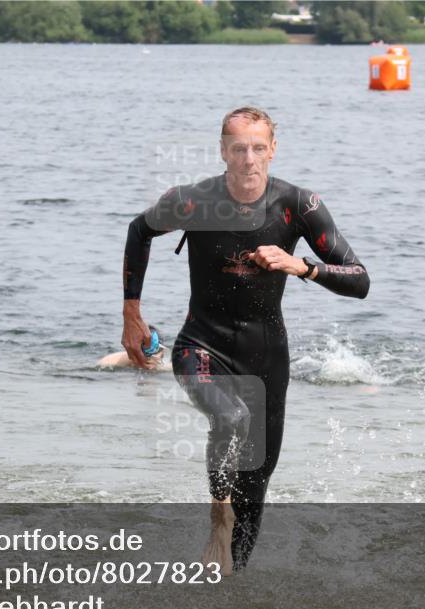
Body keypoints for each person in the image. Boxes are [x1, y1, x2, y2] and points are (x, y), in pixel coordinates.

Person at [122, 107, 370, 575]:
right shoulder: (192, 201)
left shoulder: (298, 205)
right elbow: (140, 230)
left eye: (258, 148)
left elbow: (359, 279)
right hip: (201, 345)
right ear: (223, 151)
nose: (248, 159)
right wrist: (132, 314)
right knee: (230, 415)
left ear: (273, 150)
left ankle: (230, 585)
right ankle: (219, 516)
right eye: (238, 149)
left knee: (255, 486)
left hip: (266, 356)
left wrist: (302, 266)